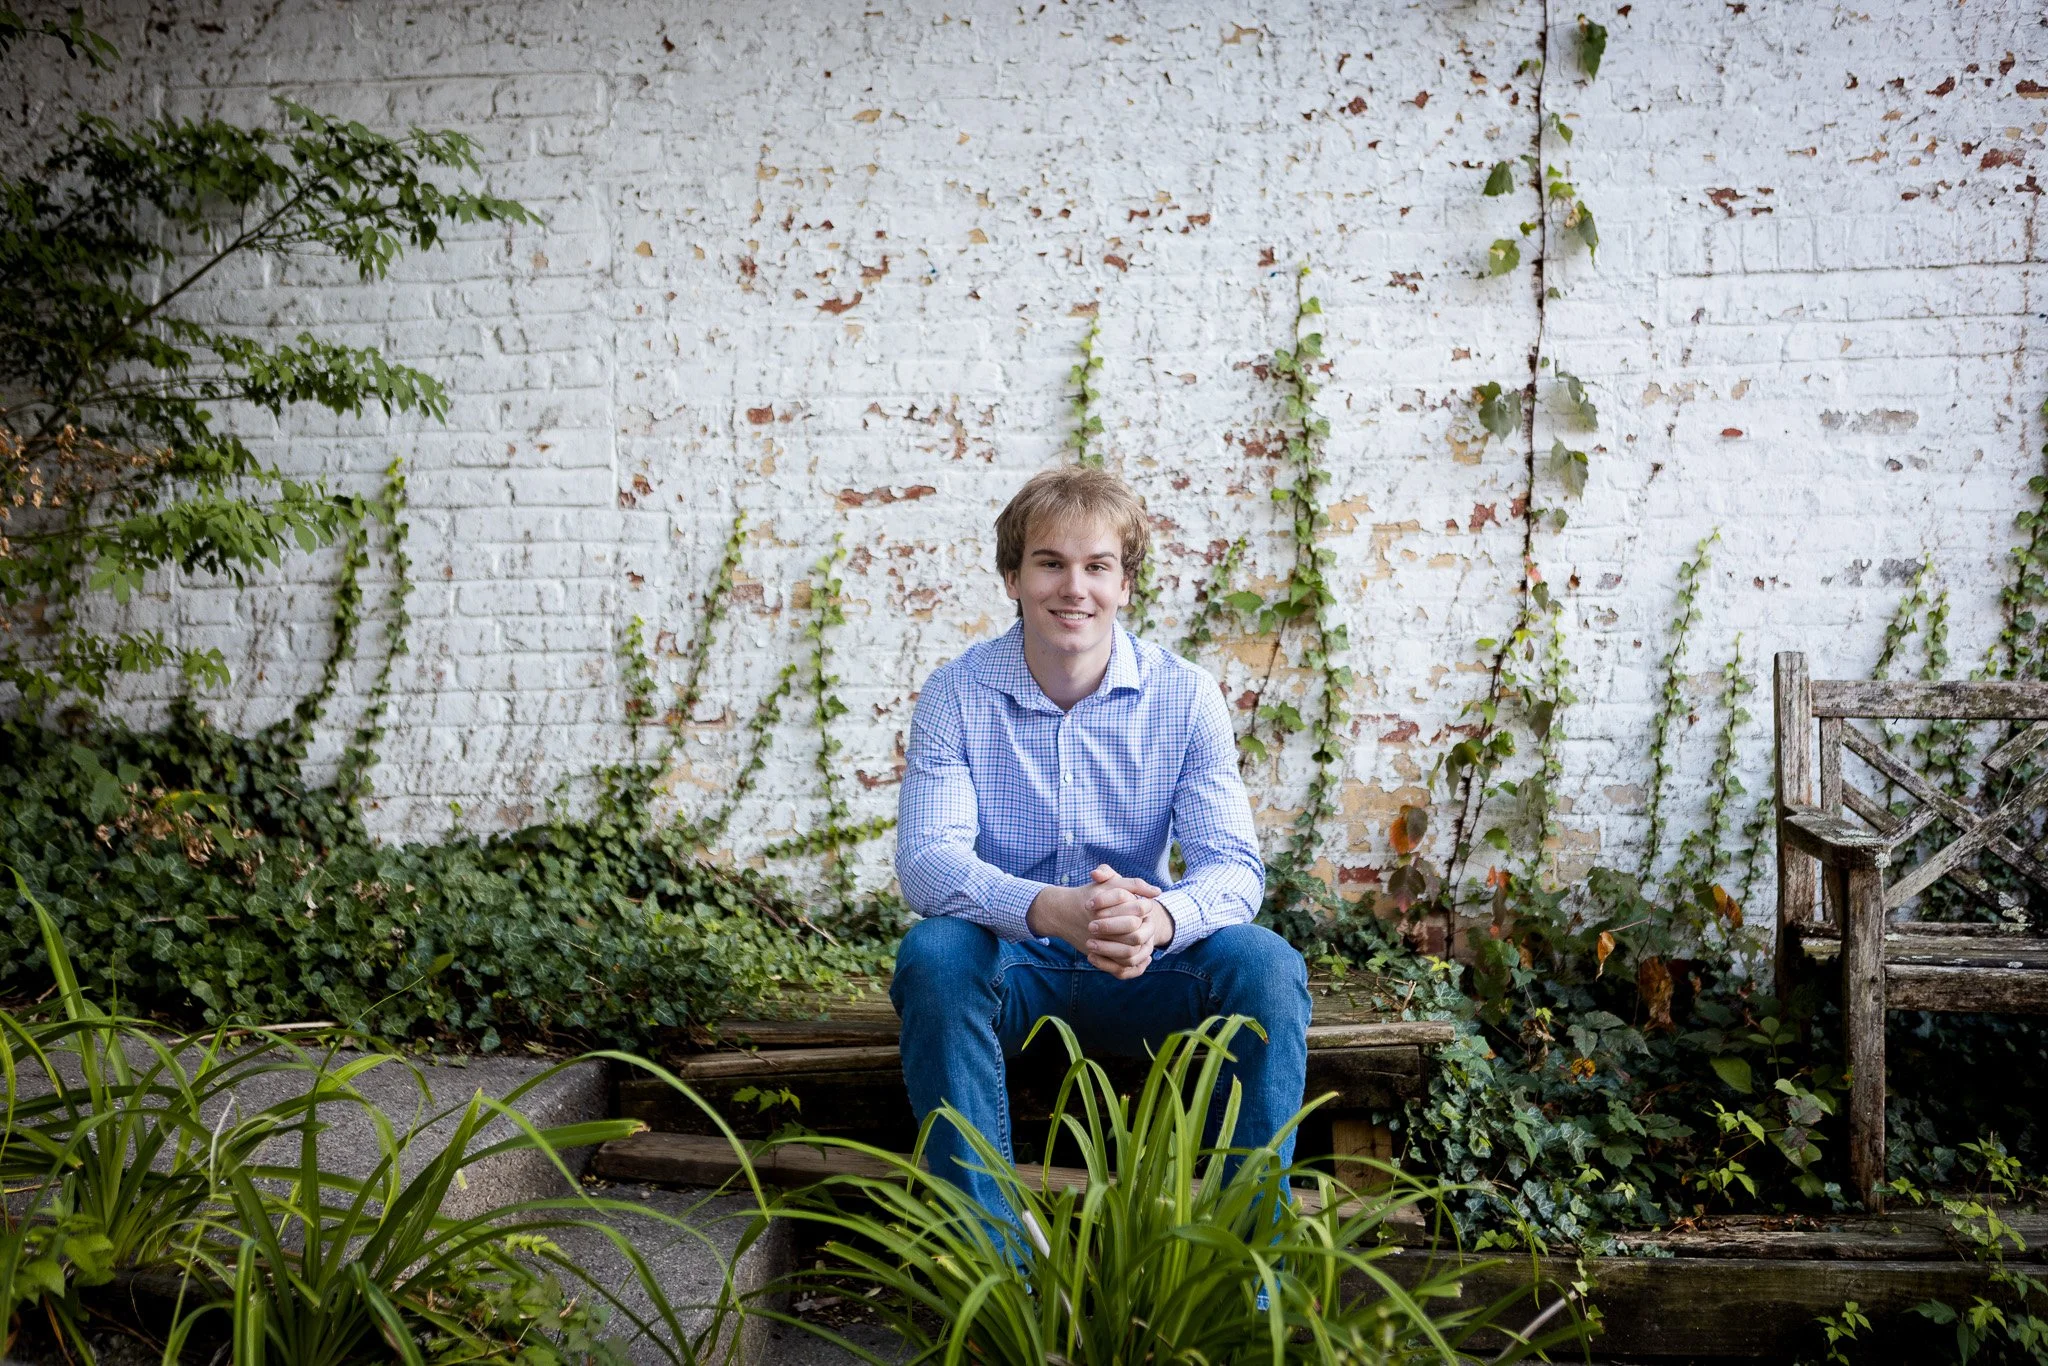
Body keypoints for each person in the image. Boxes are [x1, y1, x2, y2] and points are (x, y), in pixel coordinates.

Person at [891, 464, 1311, 1230]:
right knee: (935, 956)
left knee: (1267, 966)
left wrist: (1161, 921)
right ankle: (989, 1263)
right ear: (1012, 576)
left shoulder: (1185, 696)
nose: (1073, 588)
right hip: (1011, 962)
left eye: (1097, 567)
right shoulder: (956, 694)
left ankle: (1252, 1273)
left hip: (1143, 966)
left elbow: (1234, 866)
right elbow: (927, 861)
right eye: (1049, 563)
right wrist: (1048, 909)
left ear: (1126, 584)